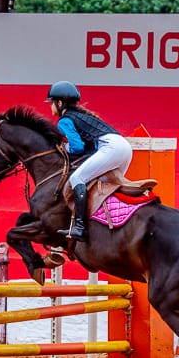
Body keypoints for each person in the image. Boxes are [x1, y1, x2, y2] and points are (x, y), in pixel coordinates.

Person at [46, 80, 133, 242]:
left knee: (76, 179)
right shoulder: (82, 116)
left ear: (59, 103)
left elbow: (77, 147)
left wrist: (63, 148)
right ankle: (109, 224)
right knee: (103, 186)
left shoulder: (64, 121)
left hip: (111, 148)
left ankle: (80, 227)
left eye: (51, 102)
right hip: (125, 148)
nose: (50, 106)